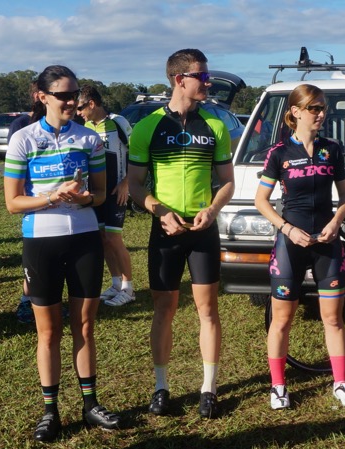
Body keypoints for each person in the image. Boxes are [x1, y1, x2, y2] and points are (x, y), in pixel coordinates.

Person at [4, 65, 121, 442]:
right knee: (49, 331)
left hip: (85, 238)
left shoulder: (89, 139)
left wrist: (84, 198)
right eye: (63, 95)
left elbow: (100, 195)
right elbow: (12, 203)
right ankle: (50, 411)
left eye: (75, 95)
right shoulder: (23, 139)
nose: (71, 101)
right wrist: (52, 197)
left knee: (85, 327)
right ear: (42, 96)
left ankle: (90, 404)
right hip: (42, 241)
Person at [128, 49, 234, 419]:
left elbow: (227, 182)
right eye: (201, 76)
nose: (208, 82)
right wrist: (159, 211)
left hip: (203, 230)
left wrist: (213, 210)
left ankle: (209, 388)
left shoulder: (215, 125)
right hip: (166, 230)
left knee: (208, 309)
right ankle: (161, 387)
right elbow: (135, 185)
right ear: (179, 79)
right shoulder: (148, 127)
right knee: (164, 309)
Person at [255, 83, 345, 410]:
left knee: (333, 318)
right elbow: (261, 201)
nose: (321, 114)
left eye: (323, 107)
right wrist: (286, 228)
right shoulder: (279, 152)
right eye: (314, 108)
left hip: (327, 242)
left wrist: (335, 223)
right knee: (282, 319)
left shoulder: (332, 149)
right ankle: (278, 386)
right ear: (296, 112)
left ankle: (340, 382)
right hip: (291, 244)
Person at [77, 85, 135, 307]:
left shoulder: (117, 122)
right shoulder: (86, 127)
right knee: (103, 239)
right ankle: (116, 283)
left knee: (113, 239)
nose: (78, 112)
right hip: (96, 192)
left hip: (116, 191)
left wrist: (126, 183)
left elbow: (137, 153)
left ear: (92, 103)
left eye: (81, 108)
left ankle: (128, 289)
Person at [8, 81, 39, 324]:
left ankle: (51, 301)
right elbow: (15, 167)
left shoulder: (69, 125)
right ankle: (26, 301)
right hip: (31, 203)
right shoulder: (21, 125)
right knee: (34, 259)